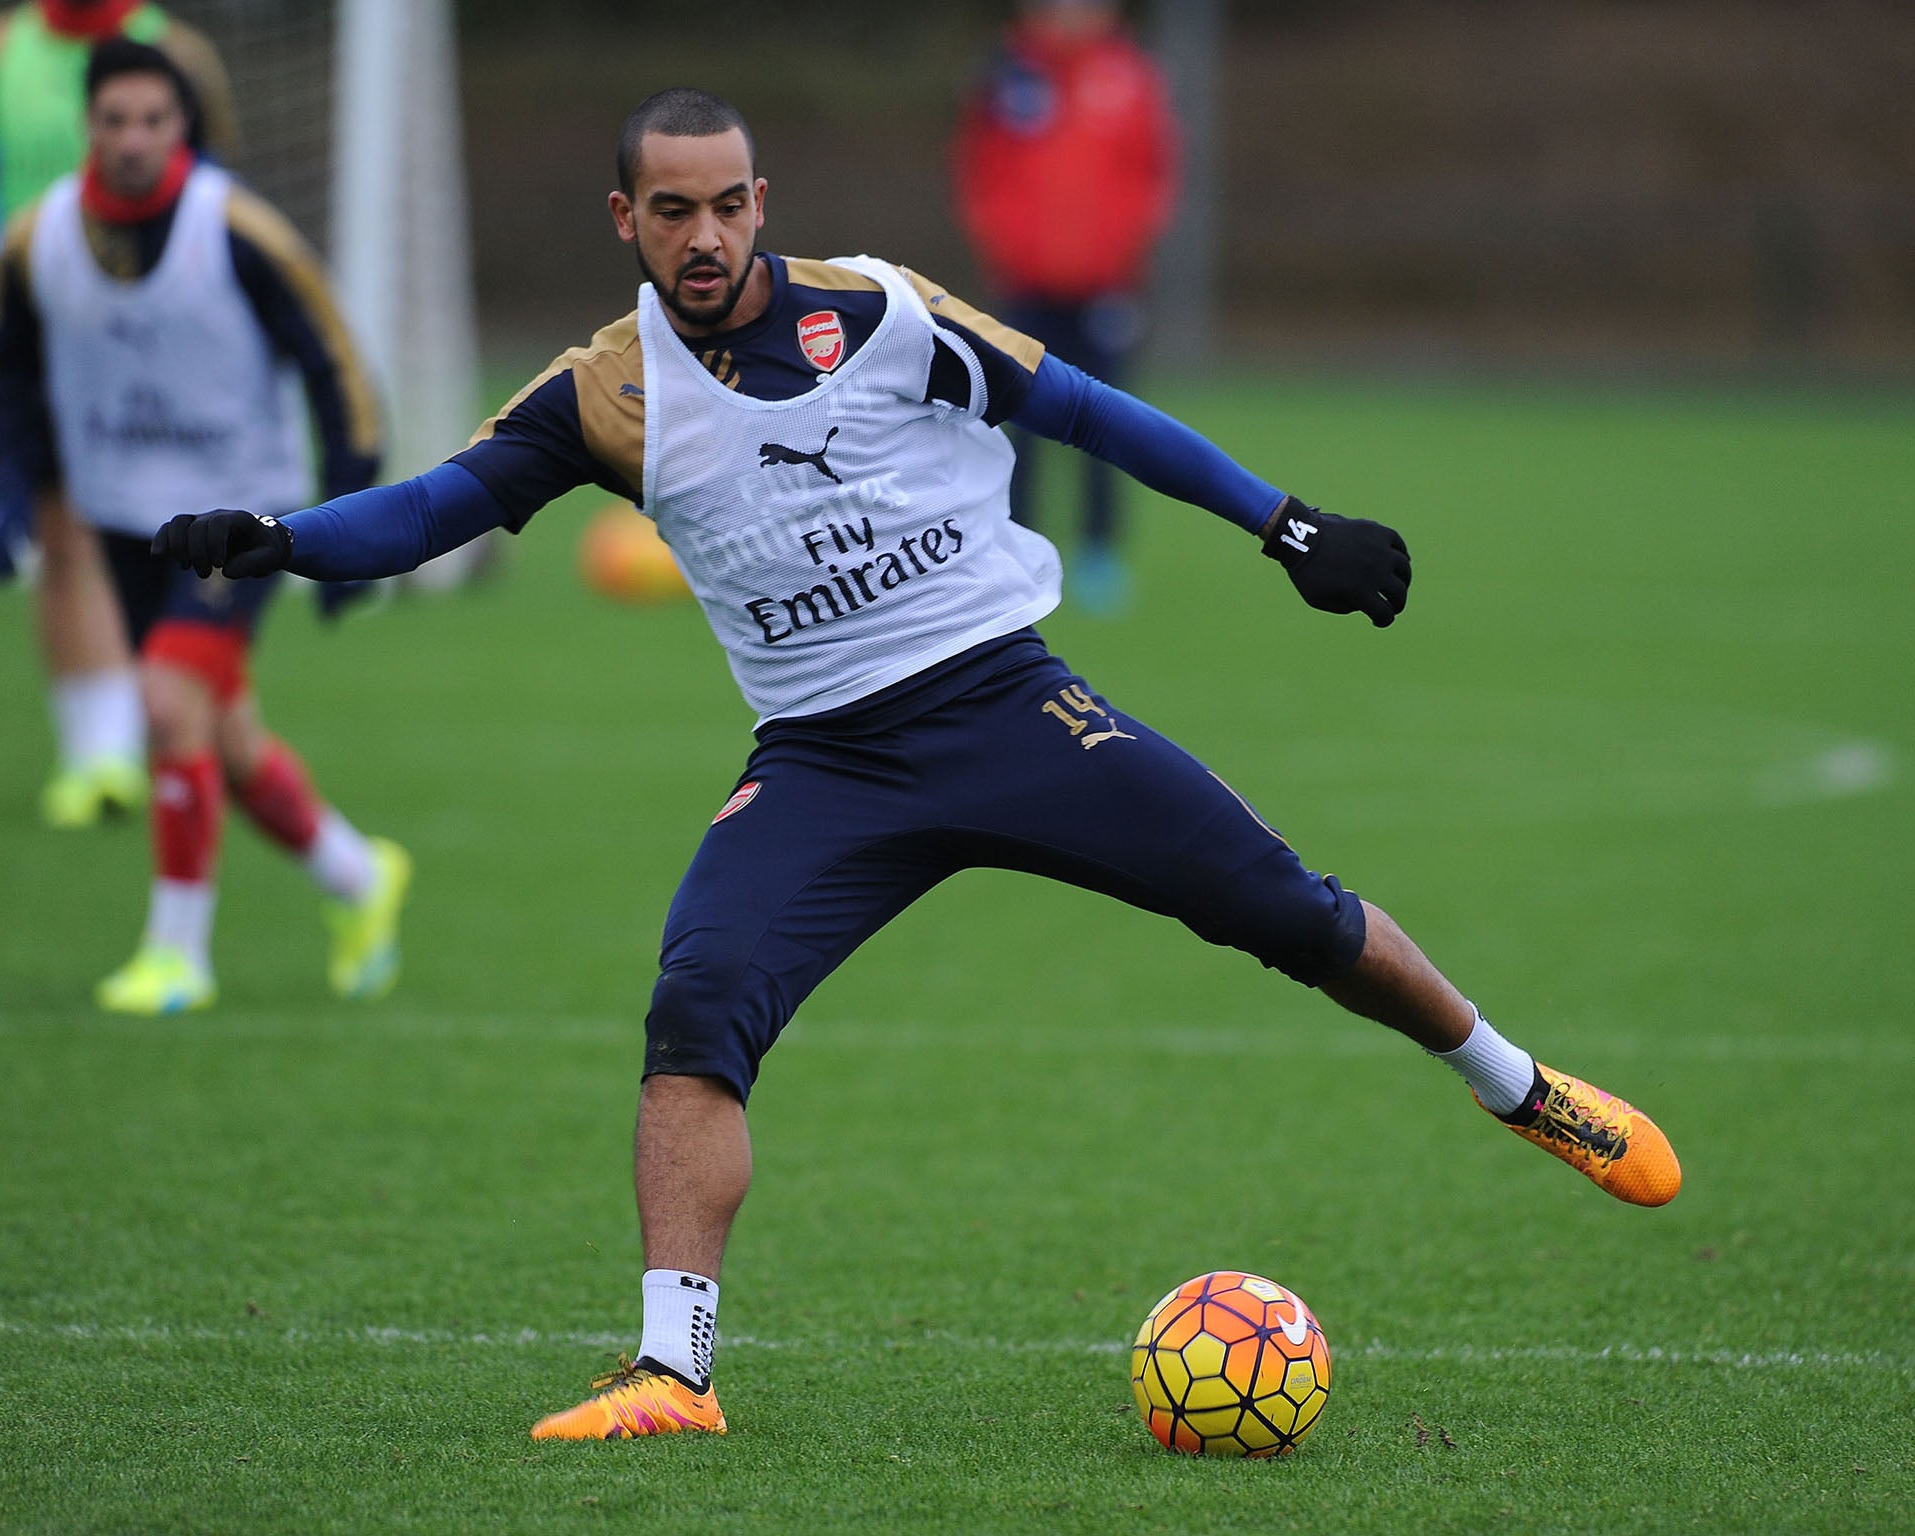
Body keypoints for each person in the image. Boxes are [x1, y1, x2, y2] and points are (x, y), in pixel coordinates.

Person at [156, 87, 1682, 1439]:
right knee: (697, 1004)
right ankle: (672, 1377)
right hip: (823, 764)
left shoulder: (880, 311)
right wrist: (279, 538)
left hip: (1012, 707)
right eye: (671, 208)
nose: (704, 233)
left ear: (764, 203)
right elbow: (432, 511)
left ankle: (1518, 1086)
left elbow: (1088, 411)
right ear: (626, 217)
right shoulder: (603, 390)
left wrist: (1287, 526)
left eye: (729, 202)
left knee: (1284, 907)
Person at [0, 38, 407, 1015]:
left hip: (240, 519)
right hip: (121, 520)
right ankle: (357, 877)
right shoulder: (36, 236)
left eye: (153, 121)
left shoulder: (238, 229)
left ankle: (176, 954)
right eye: (114, 120)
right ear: (87, 127)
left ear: (183, 128)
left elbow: (337, 364)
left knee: (166, 706)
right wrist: (8, 488)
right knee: (223, 733)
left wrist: (351, 519)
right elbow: (0, 367)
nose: (132, 139)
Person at [0, 0, 239, 829]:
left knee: (158, 527)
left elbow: (213, 187)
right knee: (60, 534)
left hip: (150, 333)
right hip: (37, 328)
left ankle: (188, 710)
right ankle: (97, 753)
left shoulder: (176, 50)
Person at [951, 0, 1179, 613]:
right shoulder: (1010, 76)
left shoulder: (1130, 77)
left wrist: (1122, 251)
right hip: (1025, 285)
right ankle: (1014, 547)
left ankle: (1099, 555)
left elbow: (1152, 174)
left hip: (1103, 286)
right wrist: (1008, 245)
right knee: (1015, 420)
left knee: (1110, 419)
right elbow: (983, 172)